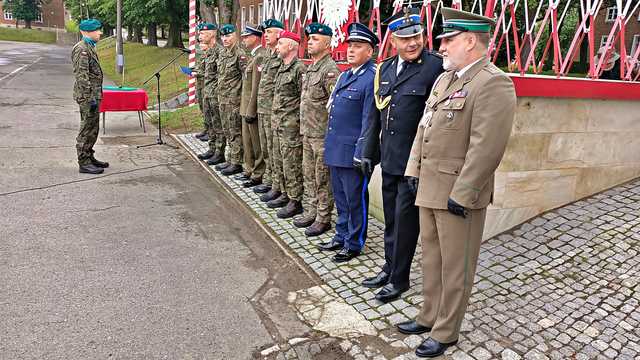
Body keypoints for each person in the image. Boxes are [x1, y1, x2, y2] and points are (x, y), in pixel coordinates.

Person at [397, 8, 516, 357]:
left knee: (456, 265)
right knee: (431, 258)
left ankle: (447, 331)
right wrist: (412, 171)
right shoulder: (445, 79)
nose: (442, 46)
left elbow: (487, 146)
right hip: (430, 187)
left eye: (448, 40)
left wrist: (464, 192)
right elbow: (425, 128)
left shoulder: (493, 82)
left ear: (470, 41)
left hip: (457, 194)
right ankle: (429, 314)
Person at [359, 8, 444, 303]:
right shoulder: (384, 68)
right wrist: (368, 152)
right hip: (390, 159)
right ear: (393, 40)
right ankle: (389, 266)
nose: (413, 43)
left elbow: (437, 120)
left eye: (418, 37)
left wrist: (422, 166)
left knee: (407, 224)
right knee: (392, 221)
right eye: (406, 38)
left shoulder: (435, 67)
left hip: (413, 164)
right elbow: (376, 115)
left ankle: (400, 279)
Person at [319, 23, 378, 262]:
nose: (351, 50)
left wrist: (362, 152)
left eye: (358, 46)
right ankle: (341, 235)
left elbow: (369, 120)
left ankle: (354, 243)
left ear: (370, 51)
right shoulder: (345, 74)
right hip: (336, 148)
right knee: (341, 198)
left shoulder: (371, 78)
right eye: (350, 46)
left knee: (355, 200)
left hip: (353, 152)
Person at [294, 22, 340, 236]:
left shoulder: (330, 71)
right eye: (309, 39)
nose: (310, 42)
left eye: (315, 39)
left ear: (328, 44)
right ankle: (311, 211)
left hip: (321, 135)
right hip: (307, 132)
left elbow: (334, 108)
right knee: (309, 175)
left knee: (322, 177)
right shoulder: (312, 67)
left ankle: (324, 217)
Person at [267, 31, 306, 218]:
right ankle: (283, 192)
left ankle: (295, 200)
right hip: (278, 123)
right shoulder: (283, 67)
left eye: (281, 43)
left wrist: (298, 124)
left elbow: (303, 99)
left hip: (291, 126)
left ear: (290, 46)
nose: (277, 46)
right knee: (279, 160)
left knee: (292, 164)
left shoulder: (299, 69)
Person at [72, 18, 107, 175]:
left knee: (93, 128)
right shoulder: (82, 49)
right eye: (97, 30)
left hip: (93, 95)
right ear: (86, 32)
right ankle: (83, 162)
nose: (100, 32)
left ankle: (89, 156)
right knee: (86, 128)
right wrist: (89, 97)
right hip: (88, 96)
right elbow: (82, 76)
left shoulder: (89, 47)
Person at [256, 19, 285, 198]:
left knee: (276, 152)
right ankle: (271, 180)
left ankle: (278, 185)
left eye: (269, 32)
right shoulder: (267, 54)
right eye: (265, 33)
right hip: (263, 108)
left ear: (279, 34)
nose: (266, 36)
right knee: (267, 148)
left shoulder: (282, 57)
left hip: (275, 111)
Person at [213, 24, 247, 176]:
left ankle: (237, 162)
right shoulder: (224, 54)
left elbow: (246, 79)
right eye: (223, 36)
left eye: (228, 36)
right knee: (227, 130)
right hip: (223, 99)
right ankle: (230, 158)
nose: (225, 39)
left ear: (235, 36)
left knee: (235, 131)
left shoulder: (240, 54)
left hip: (234, 100)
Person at [239, 24, 268, 188]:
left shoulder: (260, 56)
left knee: (256, 144)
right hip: (246, 106)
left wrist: (251, 109)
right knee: (248, 142)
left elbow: (256, 86)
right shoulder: (253, 56)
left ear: (256, 37)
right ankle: (249, 170)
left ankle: (257, 173)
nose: (244, 39)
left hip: (252, 108)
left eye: (247, 36)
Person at [195, 23, 226, 166]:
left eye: (203, 33)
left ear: (212, 34)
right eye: (200, 33)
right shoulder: (208, 52)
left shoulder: (220, 51)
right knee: (210, 124)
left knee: (218, 125)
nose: (200, 36)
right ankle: (212, 148)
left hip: (215, 94)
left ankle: (219, 152)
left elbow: (222, 75)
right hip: (207, 92)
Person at [194, 24, 209, 142]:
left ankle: (209, 131)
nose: (200, 45)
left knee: (207, 109)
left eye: (202, 43)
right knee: (202, 107)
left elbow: (210, 72)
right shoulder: (203, 56)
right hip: (200, 85)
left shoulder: (212, 54)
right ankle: (206, 128)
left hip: (206, 85)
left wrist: (198, 73)